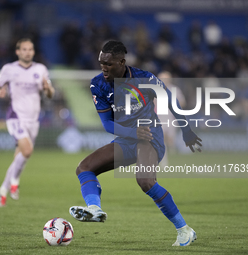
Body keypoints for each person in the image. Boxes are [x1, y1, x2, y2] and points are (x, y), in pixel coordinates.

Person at [69, 41, 202, 246]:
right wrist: (131, 132)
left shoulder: (145, 78)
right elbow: (107, 124)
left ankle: (184, 230)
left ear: (122, 62)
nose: (103, 67)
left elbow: (171, 101)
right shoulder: (98, 84)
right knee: (84, 167)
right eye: (101, 63)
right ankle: (94, 209)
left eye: (109, 64)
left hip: (150, 137)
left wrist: (186, 131)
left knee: (145, 181)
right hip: (127, 138)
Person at [0, 38, 55, 207]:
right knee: (27, 151)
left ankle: (3, 191)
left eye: (30, 49)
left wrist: (48, 88)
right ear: (18, 52)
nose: (28, 52)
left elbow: (50, 93)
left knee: (20, 157)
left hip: (33, 120)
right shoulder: (9, 69)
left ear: (33, 52)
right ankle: (15, 182)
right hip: (15, 116)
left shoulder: (40, 69)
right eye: (24, 49)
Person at [157, 71, 186, 167]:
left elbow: (182, 102)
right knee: (162, 138)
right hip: (160, 117)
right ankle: (164, 162)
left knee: (171, 141)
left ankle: (179, 150)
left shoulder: (175, 89)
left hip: (172, 118)